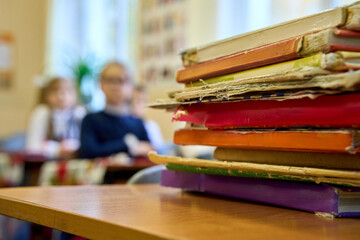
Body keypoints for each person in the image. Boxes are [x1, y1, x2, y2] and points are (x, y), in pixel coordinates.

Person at [79, 62, 153, 158]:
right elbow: (88, 152)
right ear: (100, 84)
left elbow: (150, 151)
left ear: (130, 86)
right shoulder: (90, 120)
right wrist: (128, 145)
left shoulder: (137, 122)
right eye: (109, 80)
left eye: (120, 80)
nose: (114, 86)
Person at [26, 77, 86, 159]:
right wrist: (57, 149)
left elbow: (87, 144)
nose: (61, 96)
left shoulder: (79, 114)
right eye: (55, 91)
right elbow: (32, 147)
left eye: (68, 91)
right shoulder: (42, 113)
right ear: (46, 94)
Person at [131, 85, 165, 153]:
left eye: (144, 100)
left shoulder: (152, 125)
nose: (141, 104)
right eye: (137, 100)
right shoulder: (122, 124)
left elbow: (160, 149)